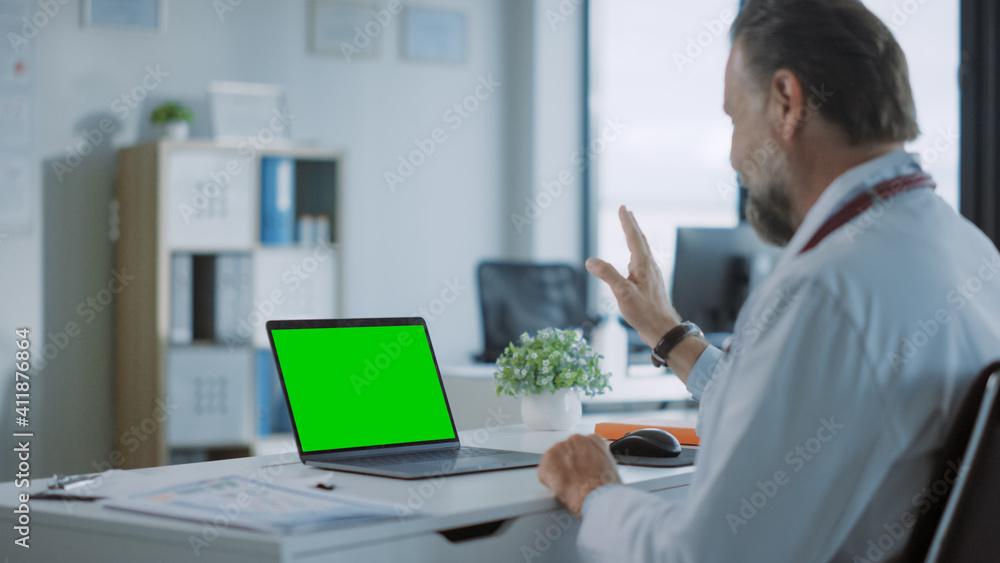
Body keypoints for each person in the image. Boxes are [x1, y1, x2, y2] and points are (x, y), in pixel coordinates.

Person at [537, 0, 1000, 561]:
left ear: (786, 101)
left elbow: (707, 556)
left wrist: (598, 495)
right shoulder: (969, 252)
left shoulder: (826, 291)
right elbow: (814, 417)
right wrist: (671, 338)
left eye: (734, 119)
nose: (734, 156)